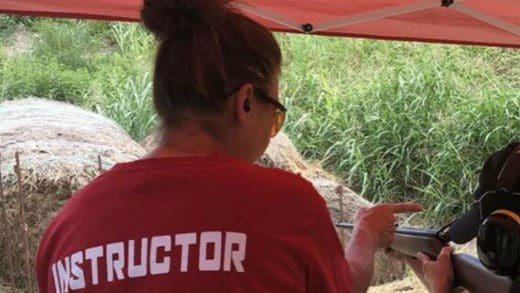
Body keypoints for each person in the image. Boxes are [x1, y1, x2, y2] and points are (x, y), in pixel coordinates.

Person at [35, 0, 452, 292]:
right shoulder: (285, 205)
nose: (272, 129)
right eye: (275, 115)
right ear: (246, 102)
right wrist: (364, 236)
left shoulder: (65, 231)